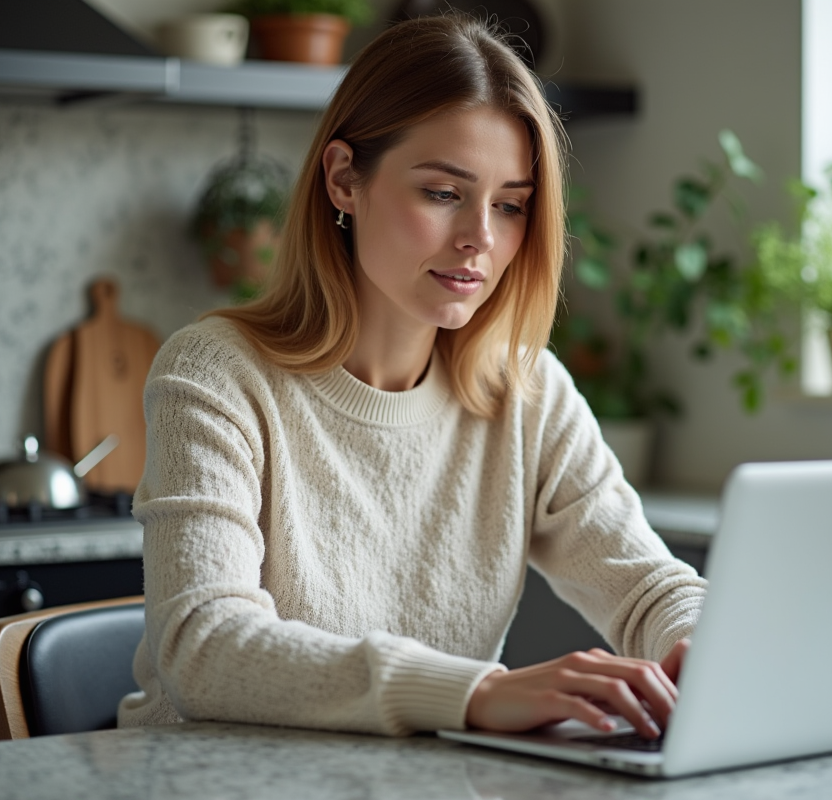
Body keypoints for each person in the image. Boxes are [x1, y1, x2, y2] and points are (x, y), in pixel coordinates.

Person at [118, 14, 706, 741]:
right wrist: (478, 693)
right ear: (343, 180)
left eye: (510, 205)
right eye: (442, 192)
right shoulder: (216, 374)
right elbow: (202, 646)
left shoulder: (526, 392)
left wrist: (702, 649)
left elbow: (649, 587)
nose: (480, 240)